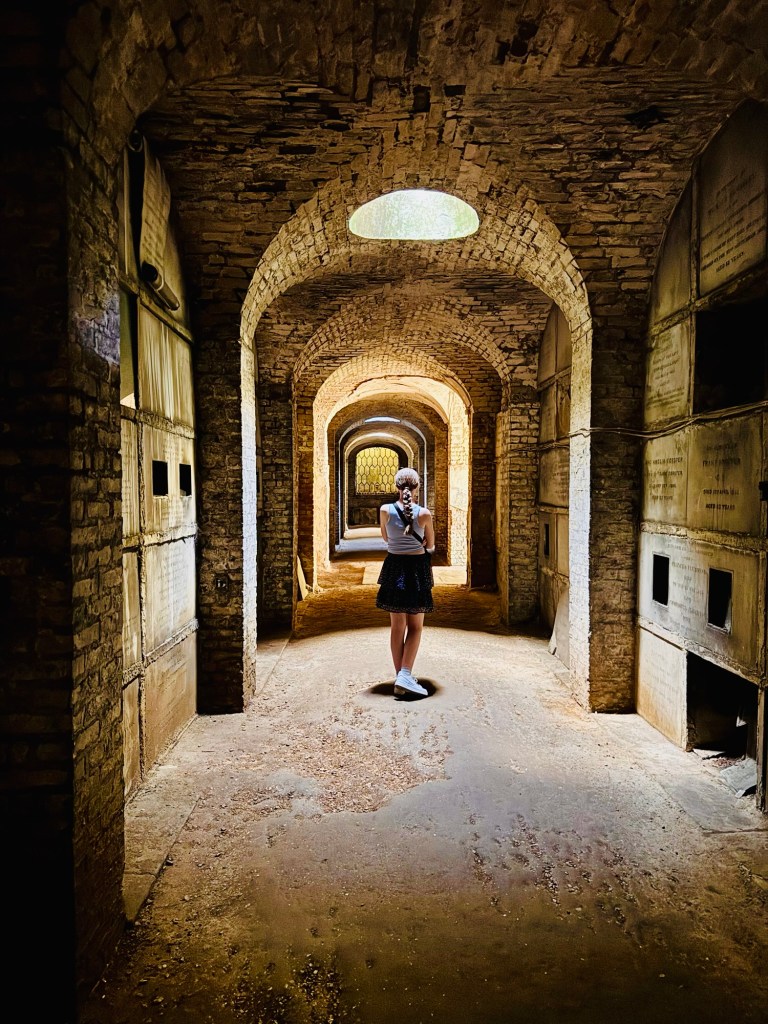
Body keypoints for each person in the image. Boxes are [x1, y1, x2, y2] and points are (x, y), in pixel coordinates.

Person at [376, 467, 436, 698]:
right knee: (416, 626)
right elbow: (430, 544)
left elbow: (385, 537)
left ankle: (402, 676)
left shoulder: (385, 510)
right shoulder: (424, 514)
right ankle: (405, 674)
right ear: (417, 488)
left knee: (397, 627)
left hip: (394, 568)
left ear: (397, 487)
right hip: (416, 570)